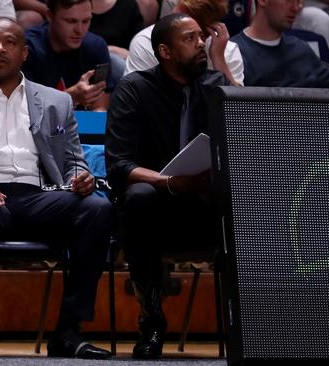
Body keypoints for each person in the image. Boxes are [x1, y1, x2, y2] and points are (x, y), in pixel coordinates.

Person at [0, 17, 113, 360]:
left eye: (9, 42)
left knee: (97, 209)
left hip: (38, 197)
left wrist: (81, 177)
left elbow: (73, 161)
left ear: (24, 53)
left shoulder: (56, 100)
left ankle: (68, 333)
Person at [105, 13, 231, 359]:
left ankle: (250, 322)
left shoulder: (215, 86)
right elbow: (119, 165)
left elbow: (244, 143)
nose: (201, 44)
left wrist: (222, 68)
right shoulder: (134, 89)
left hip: (204, 206)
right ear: (165, 51)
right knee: (139, 195)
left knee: (247, 196)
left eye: (201, 38)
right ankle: (152, 320)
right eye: (190, 39)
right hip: (154, 212)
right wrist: (172, 182)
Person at [124, 0, 243, 86]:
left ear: (207, 29)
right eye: (174, 14)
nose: (171, 22)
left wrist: (218, 59)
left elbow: (239, 112)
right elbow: (138, 102)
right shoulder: (146, 42)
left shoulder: (227, 51)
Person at [23, 0, 114, 111]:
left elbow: (99, 115)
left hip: (82, 125)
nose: (79, 31)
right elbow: (28, 114)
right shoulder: (28, 49)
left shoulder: (96, 47)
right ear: (50, 16)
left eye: (85, 21)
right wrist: (71, 96)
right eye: (71, 21)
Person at [231, 0, 329, 87]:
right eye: (288, 0)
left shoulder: (301, 50)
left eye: (298, 1)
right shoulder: (234, 53)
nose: (296, 8)